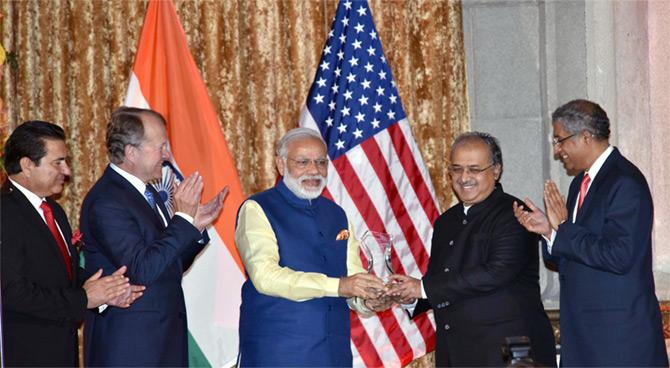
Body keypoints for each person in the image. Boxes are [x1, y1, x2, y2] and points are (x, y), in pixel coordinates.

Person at [514, 99, 668, 367]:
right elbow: (571, 255)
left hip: (619, 341)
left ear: (586, 136)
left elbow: (619, 256)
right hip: (585, 337)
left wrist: (563, 229)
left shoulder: (624, 182)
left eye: (561, 140)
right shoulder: (579, 185)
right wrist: (549, 233)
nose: (557, 149)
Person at [387, 132, 556, 367]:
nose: (464, 177)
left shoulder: (516, 214)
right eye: (457, 169)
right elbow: (442, 281)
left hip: (508, 354)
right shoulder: (446, 222)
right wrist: (408, 295)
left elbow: (495, 273)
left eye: (474, 169)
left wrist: (422, 288)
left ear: (496, 170)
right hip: (456, 353)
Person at [81, 107, 228, 366]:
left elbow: (169, 266)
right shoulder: (107, 200)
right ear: (131, 153)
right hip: (130, 347)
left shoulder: (144, 193)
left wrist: (196, 227)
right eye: (160, 147)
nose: (168, 155)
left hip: (162, 340)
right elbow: (142, 269)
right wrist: (182, 220)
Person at [235, 127, 389, 367]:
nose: (314, 170)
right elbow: (265, 277)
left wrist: (368, 301)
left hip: (333, 353)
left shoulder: (337, 214)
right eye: (303, 162)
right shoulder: (257, 208)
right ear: (281, 164)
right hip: (279, 353)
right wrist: (341, 286)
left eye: (320, 162)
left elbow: (351, 279)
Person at [1, 120, 143, 367]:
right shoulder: (4, 212)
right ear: (27, 165)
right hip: (25, 355)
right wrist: (83, 299)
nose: (66, 171)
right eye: (58, 162)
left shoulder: (53, 210)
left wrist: (105, 291)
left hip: (60, 352)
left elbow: (62, 273)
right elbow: (12, 293)